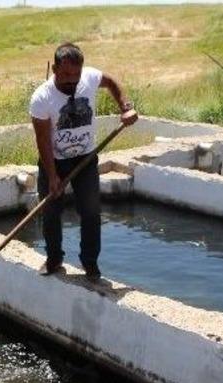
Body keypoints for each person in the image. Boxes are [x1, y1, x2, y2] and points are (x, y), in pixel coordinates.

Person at [29, 42, 138, 281]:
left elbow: (111, 82)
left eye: (76, 75)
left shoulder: (88, 78)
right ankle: (54, 259)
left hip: (86, 158)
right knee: (50, 213)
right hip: (54, 161)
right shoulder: (42, 98)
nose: (72, 80)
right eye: (66, 75)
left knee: (90, 213)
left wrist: (126, 106)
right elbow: (43, 140)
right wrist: (53, 176)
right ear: (54, 69)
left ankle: (90, 265)